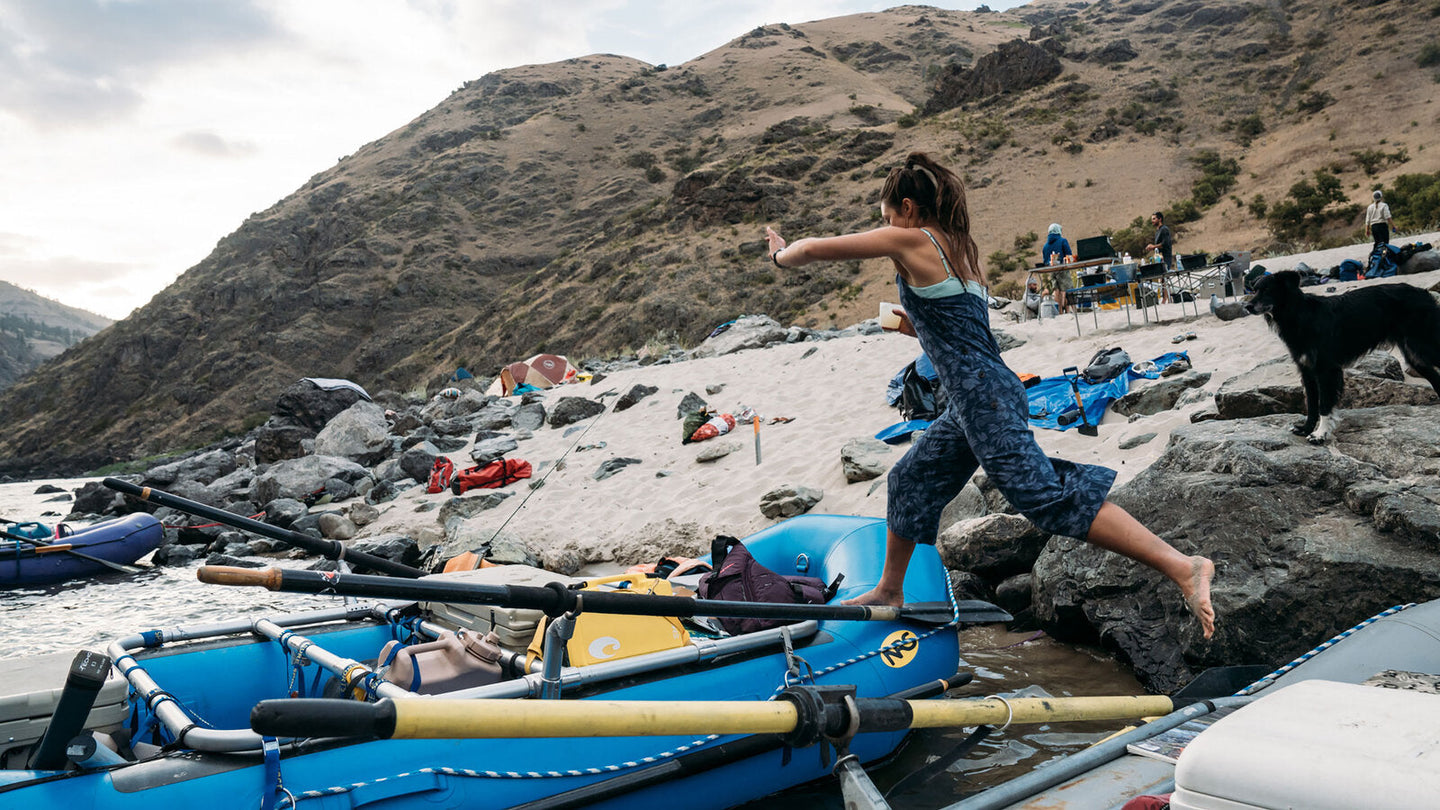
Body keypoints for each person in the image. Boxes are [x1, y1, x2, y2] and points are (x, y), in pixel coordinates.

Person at [764, 153, 1215, 638]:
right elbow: (963, 333)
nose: (888, 225)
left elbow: (814, 250)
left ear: (908, 208)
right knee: (910, 480)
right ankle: (890, 591)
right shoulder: (960, 249)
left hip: (983, 398)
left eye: (888, 216)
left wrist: (780, 255)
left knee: (1046, 497)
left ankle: (1183, 567)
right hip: (978, 396)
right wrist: (916, 326)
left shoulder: (912, 239)